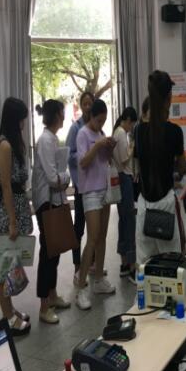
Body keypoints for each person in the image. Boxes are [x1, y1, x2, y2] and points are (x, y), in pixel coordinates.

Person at [134, 71, 186, 264]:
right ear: (169, 98)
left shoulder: (138, 131)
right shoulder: (175, 132)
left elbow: (139, 164)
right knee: (172, 264)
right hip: (166, 205)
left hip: (144, 206)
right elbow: (182, 168)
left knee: (145, 265)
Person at [0, 98, 33, 336]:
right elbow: (6, 185)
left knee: (10, 263)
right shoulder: (5, 145)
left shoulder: (13, 143)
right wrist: (13, 221)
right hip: (10, 212)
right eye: (22, 119)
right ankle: (8, 318)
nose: (23, 123)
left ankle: (11, 310)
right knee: (2, 268)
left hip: (18, 206)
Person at [32, 100, 74, 324]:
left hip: (54, 200)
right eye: (63, 112)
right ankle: (43, 306)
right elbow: (52, 177)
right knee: (48, 253)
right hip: (46, 202)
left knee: (54, 250)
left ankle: (52, 295)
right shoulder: (46, 140)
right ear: (57, 114)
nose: (64, 116)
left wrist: (62, 178)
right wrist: (66, 177)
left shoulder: (51, 138)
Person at [73, 99, 117, 310]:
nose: (101, 124)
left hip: (104, 189)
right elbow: (82, 162)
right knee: (91, 239)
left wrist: (109, 148)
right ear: (91, 116)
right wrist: (98, 145)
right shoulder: (83, 134)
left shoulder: (100, 134)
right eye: (99, 120)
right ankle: (81, 287)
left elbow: (105, 161)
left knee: (102, 237)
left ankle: (98, 278)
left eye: (104, 121)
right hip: (90, 191)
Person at [66, 91, 95, 272]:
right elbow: (69, 155)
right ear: (81, 105)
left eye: (90, 103)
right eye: (84, 103)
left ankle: (91, 263)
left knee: (95, 228)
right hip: (81, 185)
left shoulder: (96, 126)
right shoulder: (75, 128)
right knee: (79, 227)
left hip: (95, 185)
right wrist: (86, 154)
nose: (87, 107)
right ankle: (77, 265)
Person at [111, 107, 139, 283]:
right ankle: (131, 267)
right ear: (128, 119)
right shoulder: (121, 133)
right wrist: (132, 147)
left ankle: (124, 265)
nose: (131, 127)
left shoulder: (117, 132)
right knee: (129, 222)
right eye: (132, 124)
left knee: (124, 221)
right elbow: (124, 159)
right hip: (124, 179)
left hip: (122, 179)